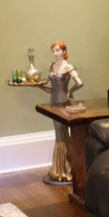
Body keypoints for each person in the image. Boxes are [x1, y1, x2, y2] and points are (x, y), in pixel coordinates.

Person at [41, 41, 85, 184]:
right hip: (53, 102)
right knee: (59, 133)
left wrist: (69, 92)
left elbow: (79, 82)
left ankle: (65, 169)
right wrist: (39, 87)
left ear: (64, 51)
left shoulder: (68, 67)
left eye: (58, 50)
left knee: (62, 133)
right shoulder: (52, 66)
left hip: (63, 103)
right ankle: (62, 168)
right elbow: (52, 89)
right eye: (53, 51)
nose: (55, 53)